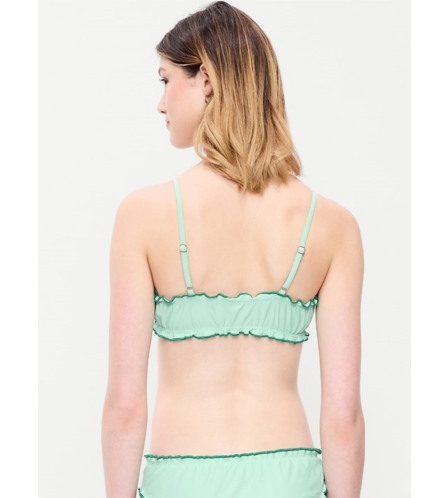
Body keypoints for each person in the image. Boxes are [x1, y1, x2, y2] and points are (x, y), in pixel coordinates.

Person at [101, 2, 365, 497]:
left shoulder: (143, 215)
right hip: (290, 479)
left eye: (165, 80)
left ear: (205, 80)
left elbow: (125, 406)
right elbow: (343, 414)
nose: (160, 103)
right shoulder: (333, 225)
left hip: (182, 479)